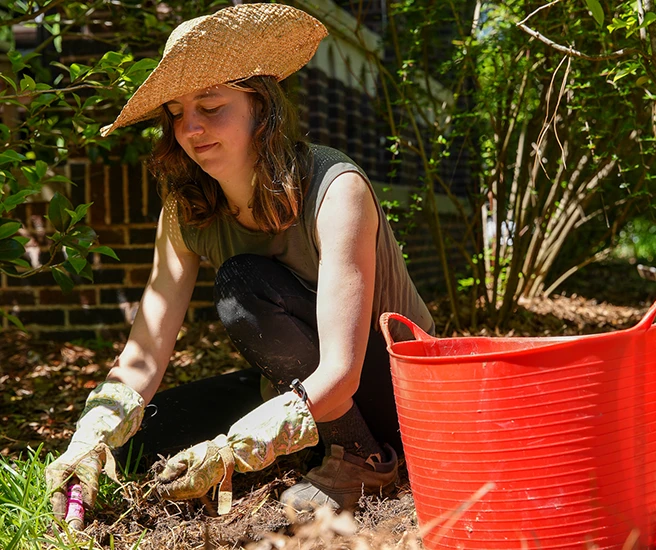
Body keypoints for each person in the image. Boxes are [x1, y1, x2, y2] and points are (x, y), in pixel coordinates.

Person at [45, 3, 434, 520]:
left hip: (405, 394)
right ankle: (325, 450)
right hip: (312, 395)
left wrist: (234, 449)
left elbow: (341, 373)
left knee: (241, 286)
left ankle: (364, 462)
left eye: (210, 104)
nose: (192, 128)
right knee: (146, 435)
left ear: (261, 106)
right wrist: (90, 439)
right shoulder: (186, 214)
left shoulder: (336, 189)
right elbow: (143, 357)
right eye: (177, 113)